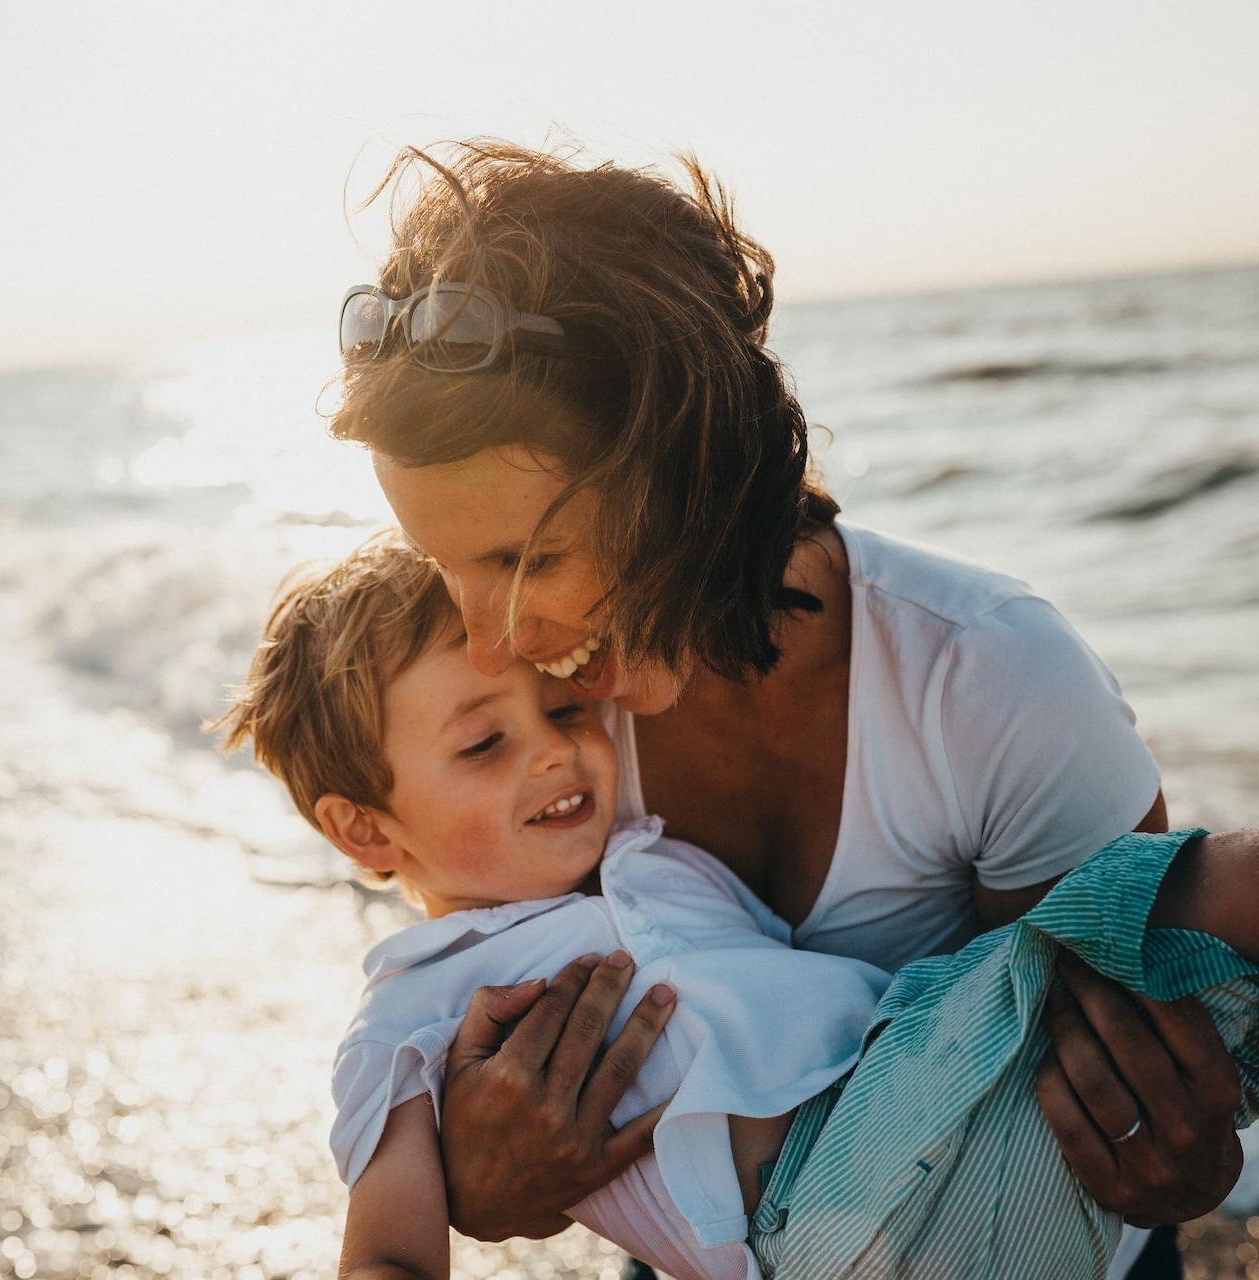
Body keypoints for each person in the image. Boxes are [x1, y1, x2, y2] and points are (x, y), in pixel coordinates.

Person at [327, 141, 1244, 1276]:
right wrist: (482, 1175)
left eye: (526, 556)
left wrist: (1187, 1161)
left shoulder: (990, 681)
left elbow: (1120, 1064)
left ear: (688, 470)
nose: (488, 637)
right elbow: (479, 985)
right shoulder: (537, 727)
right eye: (442, 567)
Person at [212, 534, 1259, 1280]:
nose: (556, 746)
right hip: (825, 1204)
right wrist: (468, 1189)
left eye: (564, 707)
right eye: (484, 744)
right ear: (365, 830)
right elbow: (389, 1250)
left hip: (945, 1124)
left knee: (1205, 971)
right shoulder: (412, 1007)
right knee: (1219, 891)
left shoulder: (653, 857)